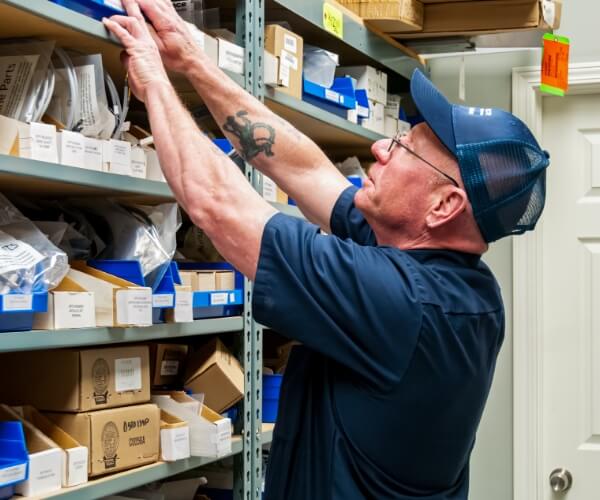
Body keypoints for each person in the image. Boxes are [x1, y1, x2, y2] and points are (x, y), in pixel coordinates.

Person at [104, 2, 550, 498]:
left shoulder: (402, 303)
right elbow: (307, 172)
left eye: (404, 147)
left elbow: (218, 206)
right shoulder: (461, 283)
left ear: (444, 204)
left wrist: (155, 82)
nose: (382, 148)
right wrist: (192, 60)